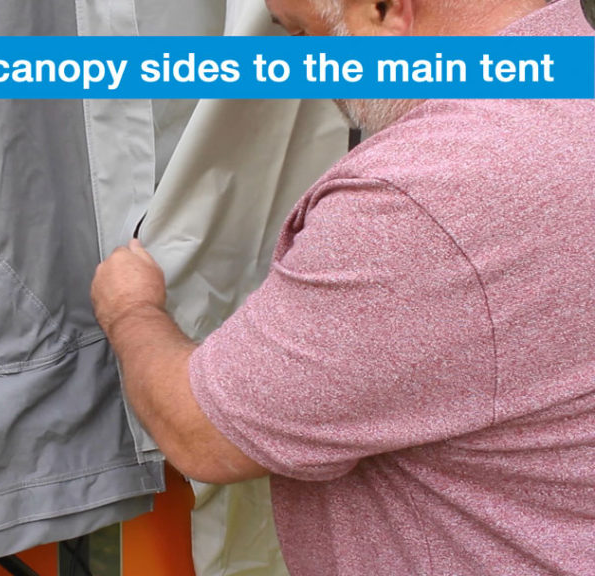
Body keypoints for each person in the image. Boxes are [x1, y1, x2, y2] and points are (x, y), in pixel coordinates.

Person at [90, 0, 595, 573]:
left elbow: (203, 435)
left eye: (305, 36)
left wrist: (130, 309)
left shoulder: (423, 195)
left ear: (385, 9)